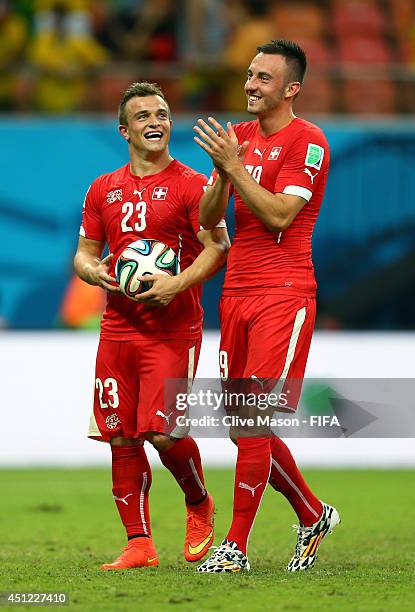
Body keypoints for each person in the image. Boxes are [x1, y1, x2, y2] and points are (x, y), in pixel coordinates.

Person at [193, 39, 340, 573]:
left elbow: (279, 215)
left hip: (285, 292)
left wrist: (235, 168)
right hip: (237, 293)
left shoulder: (310, 141)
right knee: (241, 427)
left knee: (254, 419)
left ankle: (234, 548)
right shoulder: (238, 140)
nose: (250, 84)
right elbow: (210, 219)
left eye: (263, 78)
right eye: (249, 74)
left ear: (291, 88)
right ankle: (312, 512)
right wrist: (221, 169)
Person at [74, 81, 230, 570]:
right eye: (142, 116)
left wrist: (177, 283)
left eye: (162, 114)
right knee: (121, 436)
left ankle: (198, 502)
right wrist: (95, 272)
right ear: (124, 129)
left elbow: (218, 246)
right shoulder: (103, 188)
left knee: (164, 435)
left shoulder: (192, 184)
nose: (155, 122)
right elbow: (83, 255)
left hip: (172, 330)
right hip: (117, 330)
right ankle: (139, 544)